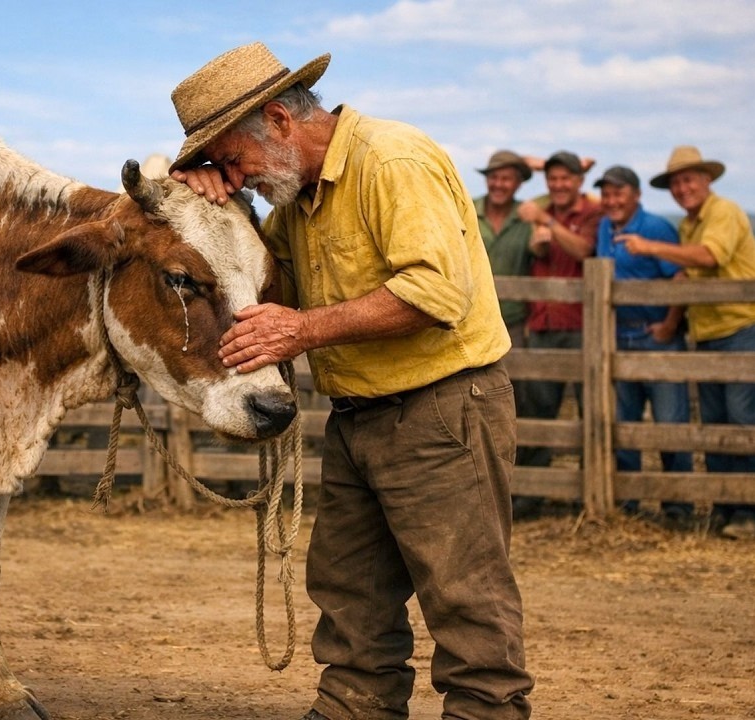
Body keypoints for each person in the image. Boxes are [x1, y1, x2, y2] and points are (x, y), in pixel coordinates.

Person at [168, 42, 532, 720]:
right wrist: (213, 201)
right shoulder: (293, 200)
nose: (239, 177)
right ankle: (351, 710)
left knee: (464, 591)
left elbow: (434, 293)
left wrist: (302, 331)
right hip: (361, 414)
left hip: (442, 407)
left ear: (277, 120)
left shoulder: (391, 160)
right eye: (223, 167)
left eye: (233, 161)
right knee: (348, 588)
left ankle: (486, 712)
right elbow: (258, 275)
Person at [621, 146, 755, 539]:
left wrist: (651, 246)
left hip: (743, 329)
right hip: (708, 333)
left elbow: (709, 257)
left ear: (707, 181)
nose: (682, 188)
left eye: (689, 179)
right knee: (714, 424)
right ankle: (724, 506)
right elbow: (692, 274)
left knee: (742, 422)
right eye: (675, 182)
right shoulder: (690, 224)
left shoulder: (722, 212)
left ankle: (750, 510)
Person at [592, 165, 693, 519]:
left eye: (619, 193)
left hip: (656, 337)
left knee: (669, 421)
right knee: (622, 421)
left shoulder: (654, 227)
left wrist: (668, 324)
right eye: (606, 194)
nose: (612, 200)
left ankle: (678, 503)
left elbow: (679, 277)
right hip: (619, 337)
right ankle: (627, 503)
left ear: (636, 195)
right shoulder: (604, 227)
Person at [510, 150, 603, 520]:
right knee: (539, 411)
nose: (560, 185)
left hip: (583, 328)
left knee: (590, 409)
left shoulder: (590, 213)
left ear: (579, 181)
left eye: (567, 178)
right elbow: (541, 251)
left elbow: (584, 250)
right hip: (545, 325)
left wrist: (547, 221)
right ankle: (533, 495)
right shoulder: (545, 214)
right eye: (553, 179)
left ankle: (590, 496)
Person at [475, 150, 535, 350]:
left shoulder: (528, 214)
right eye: (493, 177)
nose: (498, 184)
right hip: (472, 317)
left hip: (513, 319)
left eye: (506, 179)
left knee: (515, 378)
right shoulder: (467, 210)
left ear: (519, 184)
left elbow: (564, 193)